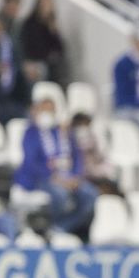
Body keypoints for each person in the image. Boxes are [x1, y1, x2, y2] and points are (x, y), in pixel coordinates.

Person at [14, 99, 98, 235]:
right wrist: (55, 178)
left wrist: (76, 177)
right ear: (37, 111)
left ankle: (61, 227)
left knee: (90, 194)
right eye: (44, 110)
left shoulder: (63, 132)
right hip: (42, 179)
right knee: (61, 196)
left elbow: (76, 156)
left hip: (68, 178)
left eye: (50, 110)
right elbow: (31, 163)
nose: (48, 114)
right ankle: (47, 227)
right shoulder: (31, 133)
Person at [20, 0, 64, 85]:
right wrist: (27, 63)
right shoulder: (30, 23)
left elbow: (60, 48)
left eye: (49, 4)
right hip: (33, 61)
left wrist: (52, 29)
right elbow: (26, 45)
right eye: (44, 4)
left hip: (48, 63)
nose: (46, 7)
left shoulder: (51, 25)